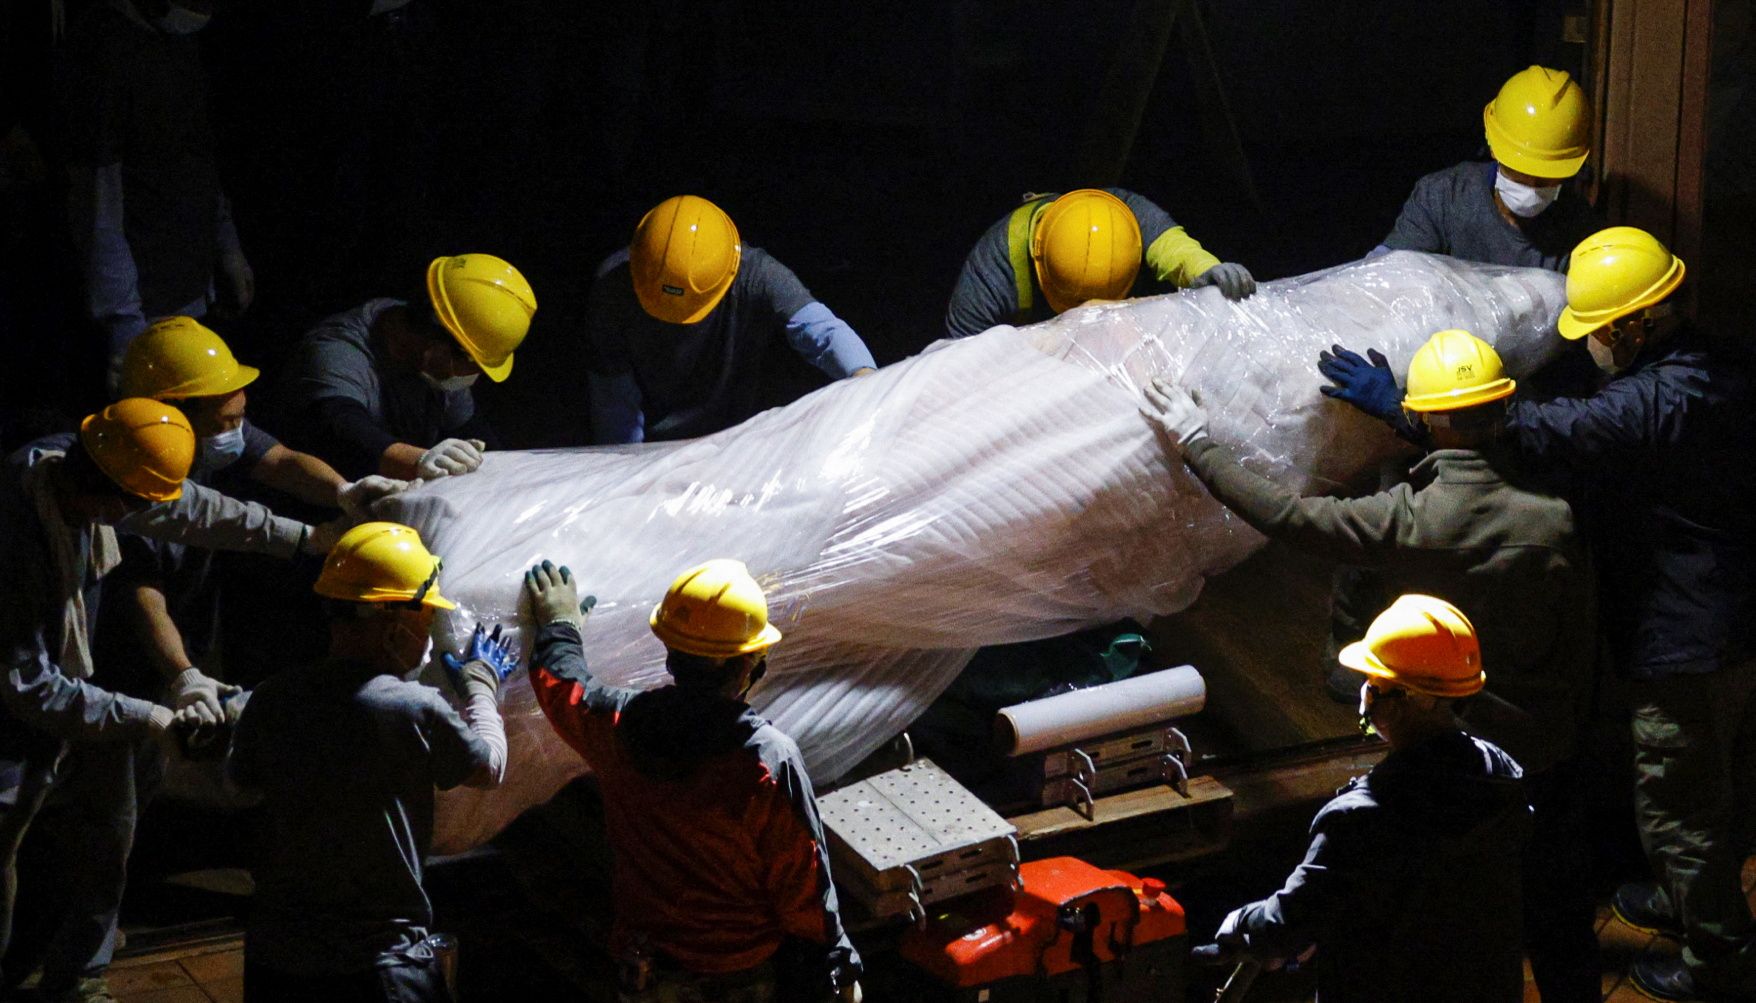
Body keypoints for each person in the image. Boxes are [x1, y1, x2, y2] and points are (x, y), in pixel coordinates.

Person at [1321, 227, 1756, 1002]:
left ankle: (1717, 955)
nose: (1590, 343)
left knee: (1678, 803)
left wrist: (1412, 410)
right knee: (1702, 783)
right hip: (1725, 611)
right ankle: (1682, 892)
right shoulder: (1713, 364)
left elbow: (1550, 429)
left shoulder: (1653, 400)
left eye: (1597, 330)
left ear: (1633, 323)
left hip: (1688, 638)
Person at [1144, 327, 1599, 1000]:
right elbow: (1581, 646)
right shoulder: (1555, 517)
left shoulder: (1410, 518)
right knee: (1555, 921)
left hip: (1449, 761)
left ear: (1426, 417)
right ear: (1504, 406)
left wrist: (1195, 442)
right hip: (1544, 757)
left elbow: (1286, 515)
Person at [0, 397, 335, 1003]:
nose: (145, 516)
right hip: (16, 718)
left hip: (87, 688)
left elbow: (190, 509)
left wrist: (307, 539)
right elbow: (29, 685)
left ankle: (77, 981)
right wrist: (153, 716)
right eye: (137, 508)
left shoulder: (82, 459)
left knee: (108, 840)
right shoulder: (15, 536)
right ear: (111, 503)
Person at [524, 559, 860, 1001]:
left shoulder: (618, 727)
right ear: (749, 665)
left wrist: (560, 624)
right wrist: (837, 962)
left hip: (647, 969)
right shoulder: (766, 763)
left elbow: (561, 685)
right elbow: (804, 886)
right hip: (739, 977)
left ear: (670, 654)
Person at [226, 521, 510, 1002]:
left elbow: (241, 782)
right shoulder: (412, 707)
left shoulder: (273, 696)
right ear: (396, 625)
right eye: (427, 621)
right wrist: (481, 684)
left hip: (277, 958)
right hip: (378, 968)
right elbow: (489, 768)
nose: (428, 636)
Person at [1207, 594, 1529, 1003]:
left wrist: (1242, 924)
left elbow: (1286, 925)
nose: (1365, 693)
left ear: (1404, 701)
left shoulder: (1358, 820)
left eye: (1375, 685)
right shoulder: (1502, 778)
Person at [107, 316, 405, 689]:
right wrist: (184, 676)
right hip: (128, 646)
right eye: (225, 422)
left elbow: (281, 462)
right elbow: (143, 592)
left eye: (240, 418)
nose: (236, 431)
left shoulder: (203, 429)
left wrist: (345, 491)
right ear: (173, 413)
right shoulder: (126, 472)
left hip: (190, 614)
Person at [59, 0, 253, 394]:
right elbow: (96, 207)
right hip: (143, 303)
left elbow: (197, 155)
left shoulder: (178, 43)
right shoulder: (104, 54)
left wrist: (226, 243)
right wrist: (124, 324)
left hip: (188, 287)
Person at [584, 195, 877, 444]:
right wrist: (625, 465)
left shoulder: (758, 275)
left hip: (736, 438)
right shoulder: (612, 288)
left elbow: (823, 332)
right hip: (654, 441)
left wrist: (870, 385)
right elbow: (614, 400)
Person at [280, 253, 536, 480]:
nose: (473, 376)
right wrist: (419, 460)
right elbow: (342, 428)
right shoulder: (336, 352)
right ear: (433, 341)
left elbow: (471, 429)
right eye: (471, 364)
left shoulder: (435, 363)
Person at [945, 187, 1255, 341]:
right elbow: (956, 361)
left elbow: (1174, 248)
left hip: (1118, 331)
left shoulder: (1128, 216)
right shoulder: (989, 273)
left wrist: (1206, 269)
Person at [1373, 65, 1603, 271]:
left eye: (1546, 178)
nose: (1531, 188)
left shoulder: (1579, 228)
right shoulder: (1444, 197)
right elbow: (1386, 275)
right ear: (1494, 148)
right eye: (1520, 172)